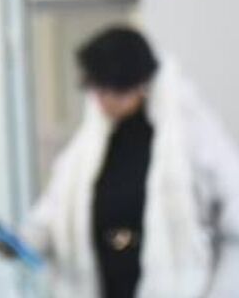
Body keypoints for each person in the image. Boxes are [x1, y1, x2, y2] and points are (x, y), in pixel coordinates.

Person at [22, 26, 239, 297]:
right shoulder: (88, 147)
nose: (100, 100)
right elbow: (55, 209)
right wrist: (26, 241)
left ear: (139, 84)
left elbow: (234, 220)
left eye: (108, 90)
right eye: (95, 90)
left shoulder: (191, 138)